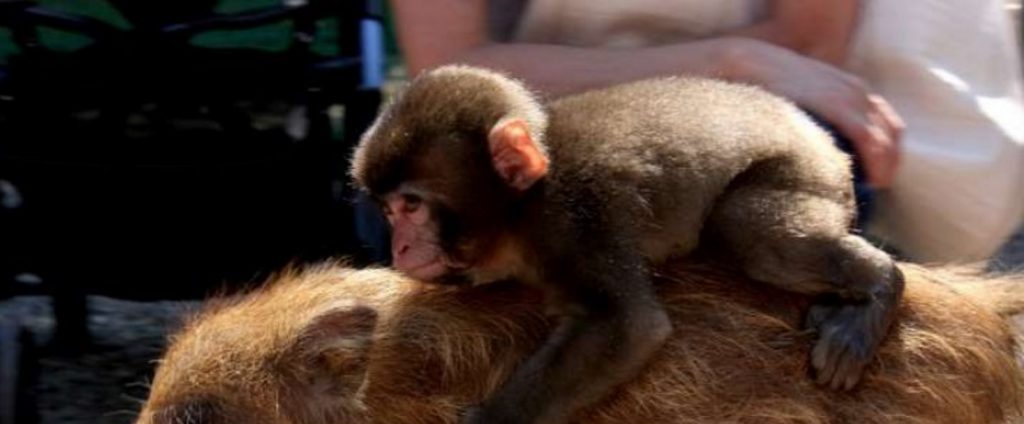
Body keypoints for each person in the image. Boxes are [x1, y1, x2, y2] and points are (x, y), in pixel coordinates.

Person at [388, 0, 1024, 265]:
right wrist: (729, 61)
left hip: (770, 88)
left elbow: (810, 41)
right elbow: (451, 68)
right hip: (544, 103)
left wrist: (742, 70)